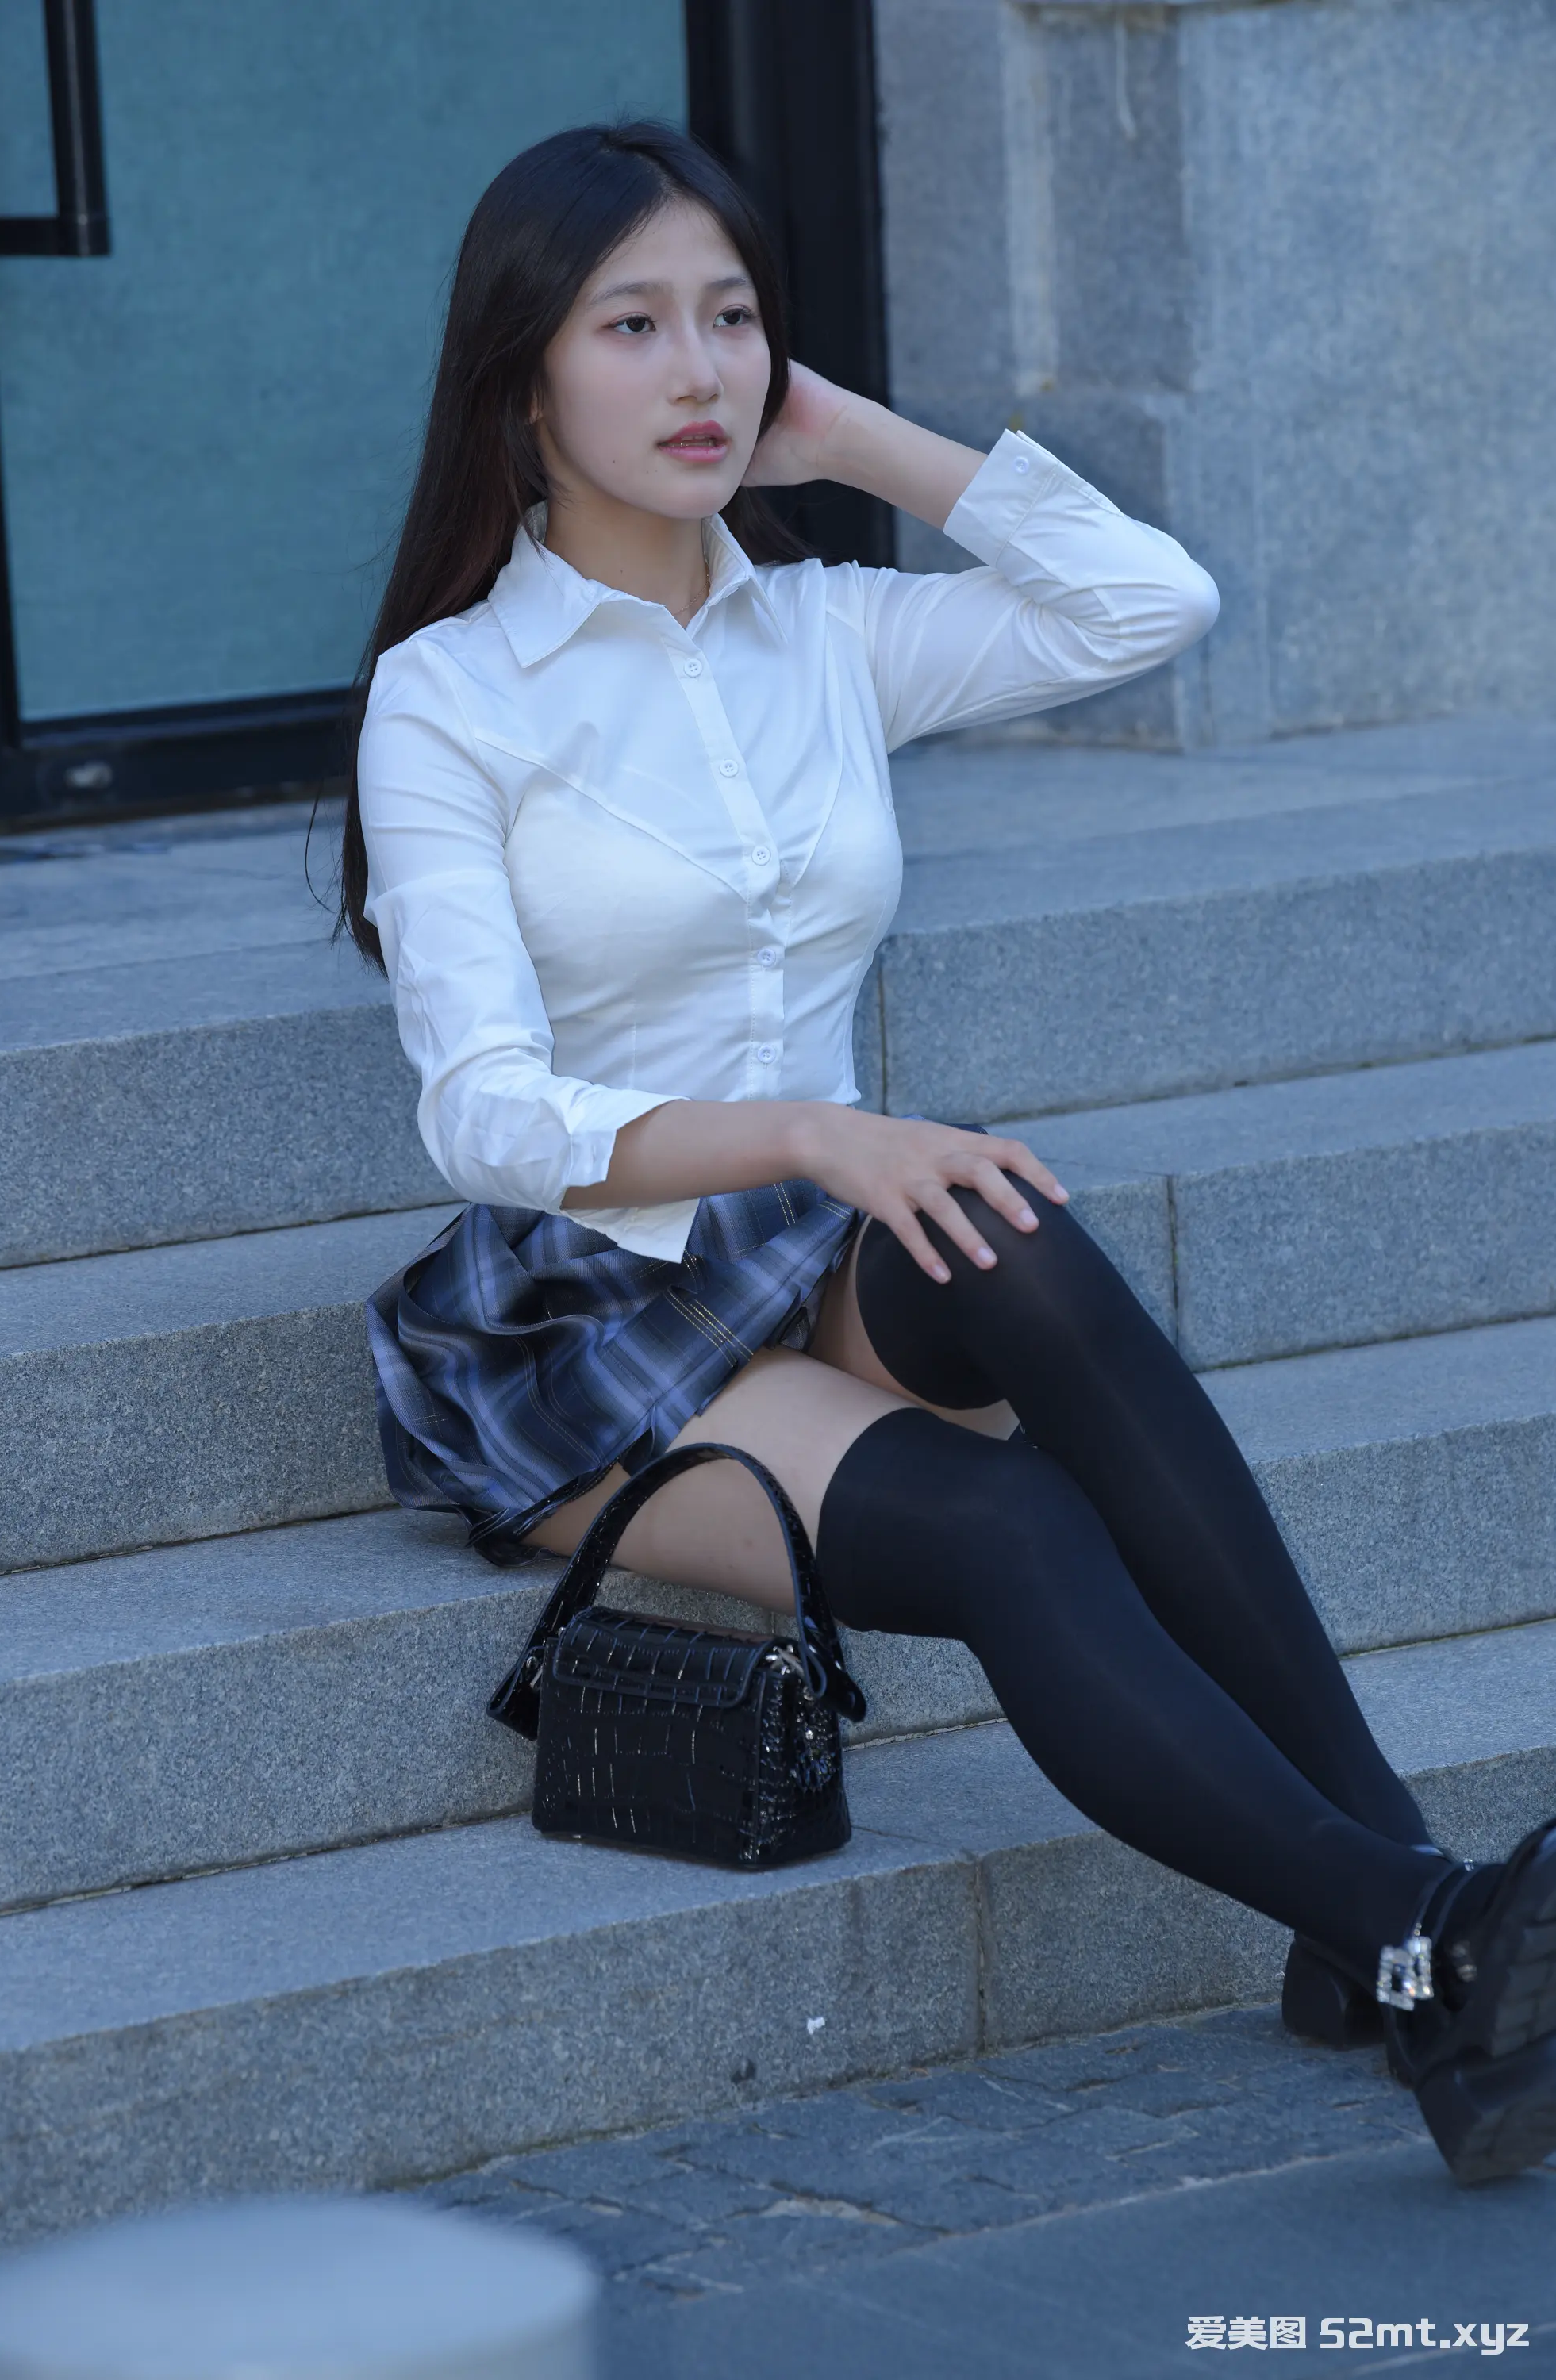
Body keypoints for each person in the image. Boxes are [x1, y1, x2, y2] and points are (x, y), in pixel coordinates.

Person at [344, 121, 1556, 2186]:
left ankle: (1395, 1925)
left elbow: (1150, 602)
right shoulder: (449, 698)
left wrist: (860, 439)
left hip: (812, 1243)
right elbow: (487, 1112)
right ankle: (1416, 1935)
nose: (700, 369)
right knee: (1015, 1530)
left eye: (733, 319)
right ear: (520, 378)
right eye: (632, 326)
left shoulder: (824, 632)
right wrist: (816, 1129)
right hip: (595, 1315)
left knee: (1019, 1234)